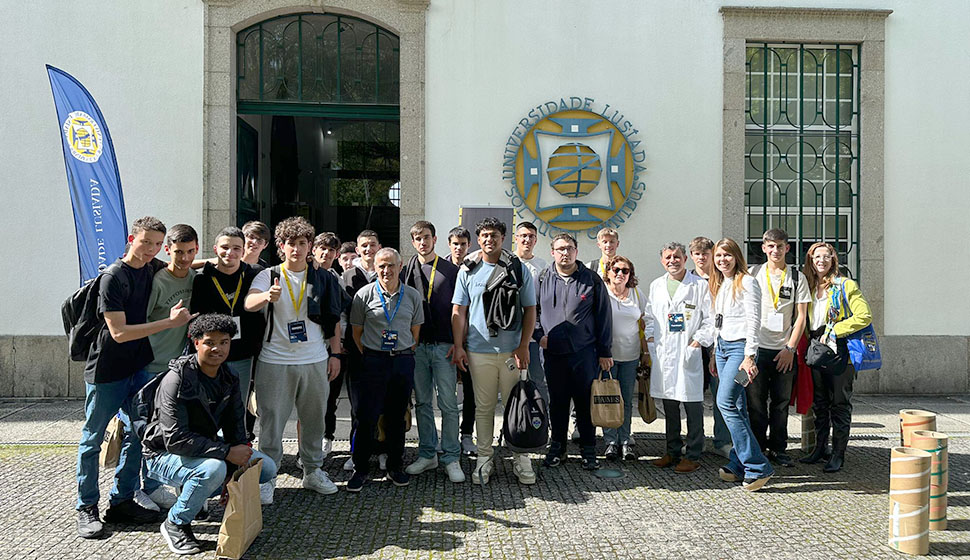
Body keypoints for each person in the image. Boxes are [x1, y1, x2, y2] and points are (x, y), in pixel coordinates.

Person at [76, 216, 195, 539]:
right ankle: (86, 507)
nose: (151, 250)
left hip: (138, 368)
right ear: (132, 239)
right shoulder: (113, 277)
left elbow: (184, 258)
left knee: (137, 436)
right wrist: (168, 324)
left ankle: (122, 501)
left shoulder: (150, 267)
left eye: (157, 245)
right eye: (146, 243)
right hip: (107, 371)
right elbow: (119, 333)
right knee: (93, 439)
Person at [141, 314, 278, 556]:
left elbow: (236, 423)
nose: (217, 349)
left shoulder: (229, 375)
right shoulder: (178, 379)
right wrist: (226, 453)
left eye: (224, 342)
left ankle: (193, 491)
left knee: (265, 467)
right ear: (196, 343)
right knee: (212, 470)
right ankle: (176, 522)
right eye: (210, 342)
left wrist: (237, 462)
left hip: (204, 448)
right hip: (162, 453)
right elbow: (175, 438)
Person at [244, 217, 343, 500]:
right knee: (272, 422)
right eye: (291, 244)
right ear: (281, 246)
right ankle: (268, 477)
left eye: (302, 243)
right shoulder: (268, 275)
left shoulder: (323, 277)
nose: (296, 249)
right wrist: (266, 297)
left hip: (314, 358)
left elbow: (333, 318)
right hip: (274, 360)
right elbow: (248, 304)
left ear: (310, 246)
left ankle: (312, 471)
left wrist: (334, 353)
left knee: (314, 419)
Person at [451, 217, 537, 485]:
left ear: (503, 238)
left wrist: (524, 345)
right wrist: (458, 346)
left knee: (518, 406)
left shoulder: (518, 269)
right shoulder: (468, 270)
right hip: (478, 351)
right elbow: (459, 311)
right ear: (479, 239)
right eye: (485, 235)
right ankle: (484, 459)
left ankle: (521, 460)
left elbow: (530, 309)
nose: (489, 239)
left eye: (495, 235)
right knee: (484, 408)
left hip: (512, 352)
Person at [348, 248, 425, 491]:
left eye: (391, 265)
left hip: (402, 361)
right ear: (375, 267)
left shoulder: (412, 296)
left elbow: (415, 331)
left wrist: (400, 351)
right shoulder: (363, 295)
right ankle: (360, 468)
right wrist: (374, 353)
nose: (386, 270)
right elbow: (356, 333)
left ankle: (395, 466)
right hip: (373, 362)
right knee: (366, 416)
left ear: (400, 267)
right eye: (381, 266)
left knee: (396, 416)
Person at [535, 233, 613, 470]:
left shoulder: (591, 280)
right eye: (560, 249)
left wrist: (604, 351)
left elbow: (604, 316)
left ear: (576, 252)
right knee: (557, 403)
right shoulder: (542, 279)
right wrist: (539, 337)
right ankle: (557, 447)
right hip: (553, 353)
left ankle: (589, 450)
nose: (565, 253)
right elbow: (533, 312)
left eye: (569, 248)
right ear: (552, 253)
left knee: (584, 403)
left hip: (584, 353)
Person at [140, 224, 200, 511]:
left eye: (190, 251)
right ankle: (146, 488)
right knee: (146, 432)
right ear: (168, 250)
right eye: (178, 252)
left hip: (177, 368)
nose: (184, 258)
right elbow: (140, 323)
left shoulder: (195, 278)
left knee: (174, 429)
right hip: (150, 366)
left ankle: (164, 484)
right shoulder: (158, 280)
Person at [799, 242, 872, 473]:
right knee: (820, 403)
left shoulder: (845, 285)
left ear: (833, 260)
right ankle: (820, 449)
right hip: (817, 349)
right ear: (810, 260)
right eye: (816, 257)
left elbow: (864, 316)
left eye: (826, 256)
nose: (821, 261)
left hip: (841, 350)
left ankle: (838, 454)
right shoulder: (809, 286)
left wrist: (835, 331)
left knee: (839, 404)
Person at [402, 222, 465, 483]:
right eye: (417, 238)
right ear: (413, 241)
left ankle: (451, 456)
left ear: (435, 239)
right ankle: (428, 454)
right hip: (417, 347)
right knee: (423, 403)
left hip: (444, 346)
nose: (422, 242)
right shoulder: (406, 270)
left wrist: (459, 343)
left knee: (449, 404)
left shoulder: (452, 270)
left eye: (426, 237)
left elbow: (460, 310)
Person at [643, 242, 714, 474]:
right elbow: (650, 316)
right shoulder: (656, 285)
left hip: (688, 351)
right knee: (670, 406)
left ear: (685, 259)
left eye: (677, 256)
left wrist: (698, 341)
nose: (672, 260)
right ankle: (672, 451)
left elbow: (709, 318)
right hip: (664, 353)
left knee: (693, 405)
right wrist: (651, 338)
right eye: (667, 257)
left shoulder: (699, 286)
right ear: (662, 261)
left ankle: (693, 454)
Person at [709, 237, 773, 491]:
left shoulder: (748, 282)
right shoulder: (720, 283)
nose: (723, 260)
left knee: (724, 401)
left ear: (737, 257)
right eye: (718, 256)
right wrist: (715, 351)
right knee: (737, 405)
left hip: (740, 351)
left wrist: (750, 356)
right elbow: (719, 320)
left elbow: (754, 321)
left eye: (727, 255)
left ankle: (758, 465)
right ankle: (739, 463)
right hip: (724, 349)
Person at [748, 229, 810, 468]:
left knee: (781, 403)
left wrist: (790, 348)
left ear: (787, 248)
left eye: (780, 246)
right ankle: (757, 449)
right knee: (755, 403)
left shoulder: (797, 277)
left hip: (784, 350)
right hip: (757, 349)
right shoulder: (752, 274)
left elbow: (801, 317)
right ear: (763, 248)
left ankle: (779, 449)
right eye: (770, 246)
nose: (775, 251)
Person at [190, 227, 263, 413]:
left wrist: (312, 263)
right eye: (224, 247)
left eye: (236, 248)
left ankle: (240, 441)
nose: (230, 253)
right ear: (215, 249)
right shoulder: (202, 280)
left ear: (244, 249)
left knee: (238, 407)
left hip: (243, 354)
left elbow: (289, 269)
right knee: (208, 408)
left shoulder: (255, 274)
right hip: (210, 355)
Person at [340, 230, 382, 472]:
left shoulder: (388, 270)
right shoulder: (347, 276)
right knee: (358, 405)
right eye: (364, 245)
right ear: (357, 249)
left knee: (383, 403)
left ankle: (382, 449)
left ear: (379, 247)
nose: (368, 249)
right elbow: (342, 312)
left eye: (372, 245)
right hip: (356, 348)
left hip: (383, 347)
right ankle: (356, 452)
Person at [601, 255, 648, 461]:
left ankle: (625, 440)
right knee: (608, 400)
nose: (620, 274)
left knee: (626, 400)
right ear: (609, 272)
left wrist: (646, 352)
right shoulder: (602, 293)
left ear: (631, 274)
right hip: (607, 357)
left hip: (630, 356)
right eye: (616, 270)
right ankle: (610, 442)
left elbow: (649, 321)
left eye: (625, 271)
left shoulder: (637, 294)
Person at [690, 235, 731, 458]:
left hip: (719, 345)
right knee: (693, 395)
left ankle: (723, 441)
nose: (702, 258)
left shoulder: (722, 278)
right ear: (692, 256)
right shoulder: (687, 279)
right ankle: (695, 441)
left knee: (720, 394)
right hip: (694, 344)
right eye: (697, 254)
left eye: (706, 253)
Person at [313, 231, 344, 457]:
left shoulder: (337, 278)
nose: (326, 253)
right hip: (308, 346)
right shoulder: (304, 274)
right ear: (314, 250)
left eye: (331, 250)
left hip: (333, 344)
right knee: (310, 399)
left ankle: (327, 437)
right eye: (322, 248)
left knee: (331, 396)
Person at [447, 225, 476, 456]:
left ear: (469, 245)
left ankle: (467, 434)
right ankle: (446, 436)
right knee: (445, 393)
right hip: (445, 341)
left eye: (463, 244)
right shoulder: (441, 268)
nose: (459, 248)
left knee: (471, 391)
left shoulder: (475, 268)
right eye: (455, 244)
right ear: (449, 245)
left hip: (471, 340)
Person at [514, 221, 550, 406]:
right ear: (516, 238)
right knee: (512, 381)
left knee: (538, 379)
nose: (527, 240)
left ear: (535, 240)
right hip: (511, 334)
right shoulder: (507, 262)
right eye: (523, 236)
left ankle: (543, 421)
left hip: (534, 336)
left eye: (531, 236)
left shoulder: (543, 266)